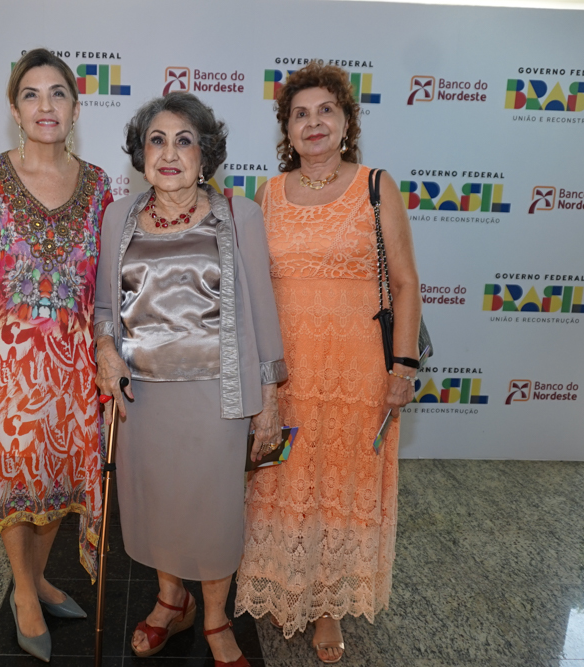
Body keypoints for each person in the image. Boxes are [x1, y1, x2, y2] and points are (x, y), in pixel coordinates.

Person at [234, 62, 421, 664]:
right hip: (286, 374)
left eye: (325, 110)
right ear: (286, 129)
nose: (313, 123)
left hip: (355, 374)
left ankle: (328, 606)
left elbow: (406, 283)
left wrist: (403, 369)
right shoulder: (267, 195)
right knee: (282, 479)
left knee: (341, 484)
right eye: (300, 113)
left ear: (346, 122)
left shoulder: (375, 185)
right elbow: (252, 288)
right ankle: (282, 580)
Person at [94, 92, 287, 667]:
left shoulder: (238, 216)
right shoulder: (117, 216)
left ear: (205, 156)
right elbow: (104, 308)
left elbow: (263, 312)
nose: (169, 153)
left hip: (216, 398)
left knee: (213, 513)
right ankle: (169, 601)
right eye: (157, 140)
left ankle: (215, 619)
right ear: (141, 154)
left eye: (185, 141)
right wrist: (105, 349)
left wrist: (269, 399)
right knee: (158, 506)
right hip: (143, 398)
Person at [0, 48, 113, 663]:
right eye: (31, 95)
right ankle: (23, 592)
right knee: (15, 476)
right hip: (4, 362)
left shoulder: (99, 186)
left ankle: (37, 577)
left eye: (58, 93)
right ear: (14, 110)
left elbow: (106, 280)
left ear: (75, 107)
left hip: (73, 361)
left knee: (61, 475)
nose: (46, 106)